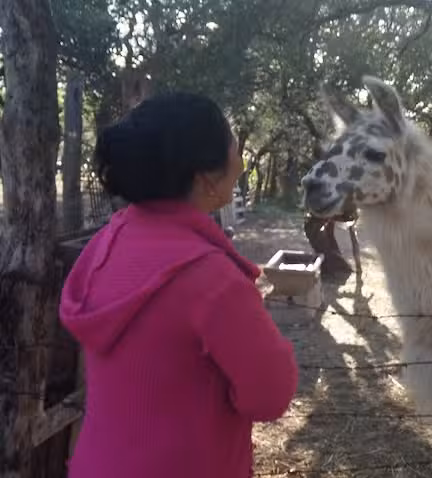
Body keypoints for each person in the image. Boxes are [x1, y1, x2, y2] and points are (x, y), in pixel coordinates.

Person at [59, 92, 298, 478]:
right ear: (206, 178)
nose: (238, 154)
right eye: (232, 141)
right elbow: (270, 395)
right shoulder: (214, 282)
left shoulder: (106, 243)